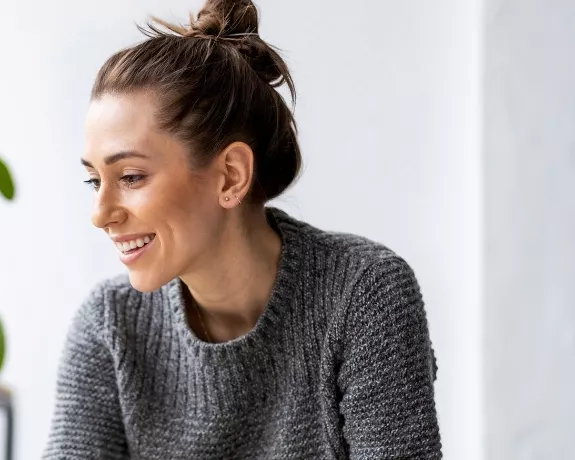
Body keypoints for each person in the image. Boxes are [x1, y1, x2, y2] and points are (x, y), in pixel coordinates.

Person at [43, 0, 442, 458]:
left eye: (130, 177)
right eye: (94, 181)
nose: (100, 213)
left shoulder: (363, 294)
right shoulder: (110, 323)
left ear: (231, 175)